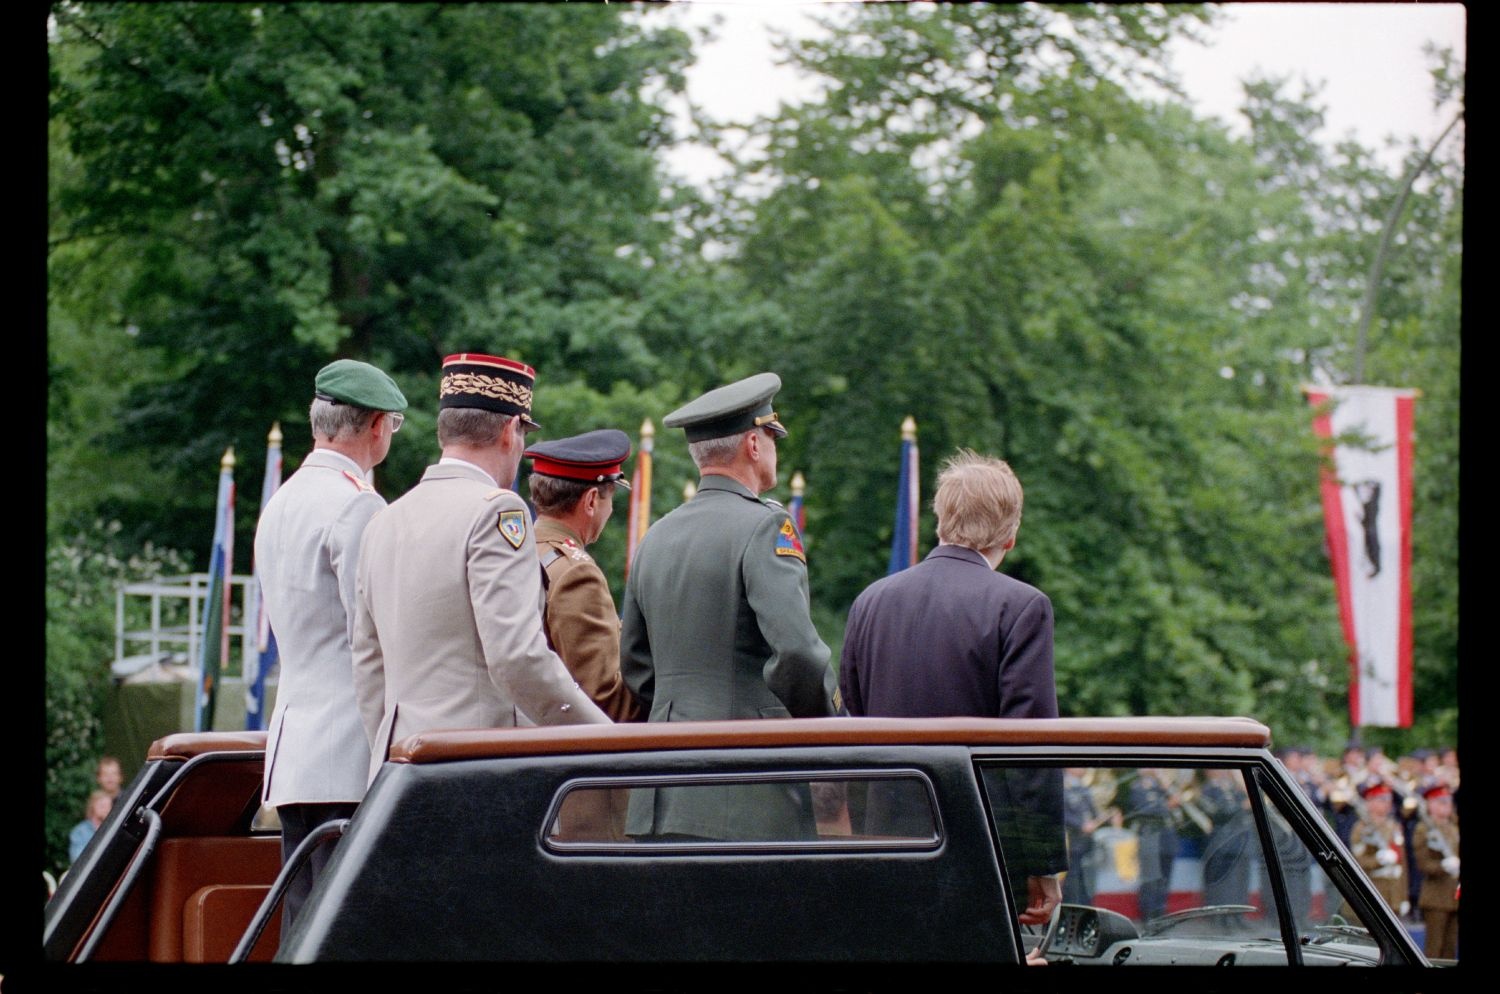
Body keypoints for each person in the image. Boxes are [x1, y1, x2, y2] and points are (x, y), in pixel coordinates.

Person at [353, 352, 609, 781]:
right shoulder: (498, 512)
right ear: (510, 431)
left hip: (399, 770)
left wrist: (392, 751)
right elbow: (517, 657)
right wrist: (601, 737)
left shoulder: (383, 519)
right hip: (478, 767)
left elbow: (367, 665)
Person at [839, 448, 1063, 925]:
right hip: (979, 844)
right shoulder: (1022, 607)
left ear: (941, 521)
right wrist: (1040, 863)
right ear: (1011, 534)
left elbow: (851, 724)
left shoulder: (870, 602)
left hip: (884, 841)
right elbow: (1030, 747)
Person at [620, 372, 837, 841]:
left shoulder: (655, 537)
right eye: (773, 435)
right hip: (746, 796)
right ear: (754, 445)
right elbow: (798, 652)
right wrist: (831, 727)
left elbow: (637, 669)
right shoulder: (766, 527)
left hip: (658, 793)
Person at [253, 357, 408, 934]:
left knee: (304, 925)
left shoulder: (282, 501)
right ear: (375, 426)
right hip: (351, 748)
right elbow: (375, 635)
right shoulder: (358, 503)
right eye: (392, 424)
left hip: (297, 750)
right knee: (349, 930)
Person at [524, 429, 641, 842]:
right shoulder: (576, 572)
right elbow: (605, 697)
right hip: (582, 797)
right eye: (610, 498)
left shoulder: (519, 551)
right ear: (592, 501)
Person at [1412, 780, 1459, 960]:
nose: (1447, 806)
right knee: (1434, 948)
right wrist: (1443, 866)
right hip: (1436, 896)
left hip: (1455, 894)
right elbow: (1423, 863)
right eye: (1442, 802)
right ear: (1431, 804)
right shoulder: (1424, 829)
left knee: (1451, 949)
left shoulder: (1454, 826)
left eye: (1448, 801)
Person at [1348, 779, 1408, 918]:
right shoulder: (1362, 828)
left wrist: (1404, 897)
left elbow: (1402, 863)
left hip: (1394, 891)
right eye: (1382, 799)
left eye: (1388, 799)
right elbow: (1359, 860)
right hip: (1373, 889)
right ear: (1370, 802)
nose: (1387, 803)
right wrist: (1378, 860)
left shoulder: (1394, 826)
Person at [69, 790, 113, 864]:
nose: (107, 810)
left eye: (109, 806)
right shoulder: (80, 831)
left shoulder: (113, 829)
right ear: (92, 807)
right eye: (102, 806)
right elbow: (77, 859)